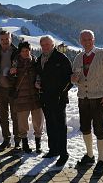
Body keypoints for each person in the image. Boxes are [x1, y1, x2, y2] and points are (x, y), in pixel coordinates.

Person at [71, 30, 103, 175]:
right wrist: (73, 79)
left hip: (99, 99)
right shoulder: (78, 58)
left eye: (89, 39)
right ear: (80, 41)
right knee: (85, 128)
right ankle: (90, 155)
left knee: (99, 129)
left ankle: (101, 160)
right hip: (83, 99)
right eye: (84, 40)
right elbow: (76, 78)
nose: (87, 42)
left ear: (94, 39)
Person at [35, 35, 72, 167]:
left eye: (47, 44)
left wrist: (60, 94)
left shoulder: (61, 58)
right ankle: (53, 149)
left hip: (58, 99)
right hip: (45, 98)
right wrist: (37, 83)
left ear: (53, 45)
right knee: (50, 125)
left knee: (60, 127)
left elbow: (70, 80)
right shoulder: (40, 59)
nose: (45, 47)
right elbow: (38, 75)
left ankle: (64, 154)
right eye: (42, 45)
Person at [0, 30, 21, 150]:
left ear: (11, 39)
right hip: (0, 89)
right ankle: (6, 139)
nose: (5, 41)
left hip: (14, 89)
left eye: (7, 39)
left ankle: (17, 140)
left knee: (15, 116)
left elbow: (23, 69)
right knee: (3, 116)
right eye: (2, 39)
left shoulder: (17, 53)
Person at [9, 41, 44, 154]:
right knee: (22, 122)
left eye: (27, 50)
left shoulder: (36, 62)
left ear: (30, 50)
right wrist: (11, 74)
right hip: (21, 97)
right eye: (23, 51)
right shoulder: (15, 63)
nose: (25, 53)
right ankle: (25, 144)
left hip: (35, 96)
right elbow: (11, 81)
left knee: (38, 121)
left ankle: (38, 144)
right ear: (20, 51)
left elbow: (40, 74)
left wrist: (38, 81)